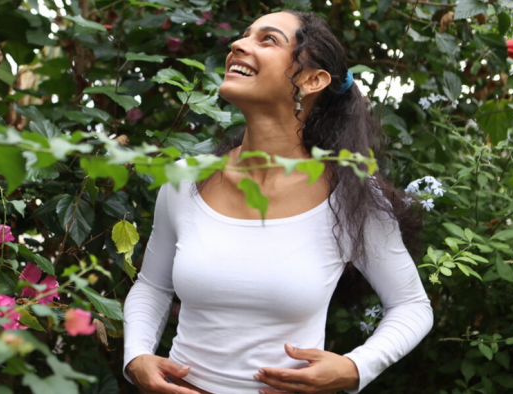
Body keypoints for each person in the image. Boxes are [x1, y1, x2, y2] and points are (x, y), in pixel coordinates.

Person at [122, 10, 433, 394]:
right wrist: (136, 357)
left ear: (312, 80)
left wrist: (354, 368)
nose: (238, 44)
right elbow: (152, 285)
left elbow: (411, 305)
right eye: (243, 35)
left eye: (267, 39)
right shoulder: (185, 180)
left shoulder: (352, 195)